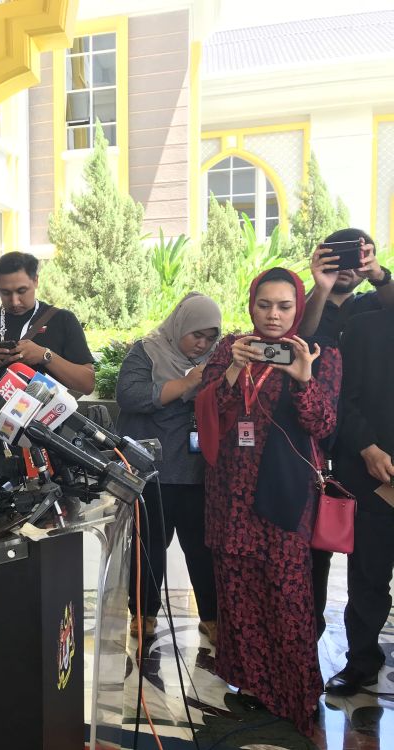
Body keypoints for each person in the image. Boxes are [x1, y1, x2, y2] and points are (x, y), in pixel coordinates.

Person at [195, 267, 341, 736]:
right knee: (237, 594)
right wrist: (235, 369)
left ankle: (295, 694)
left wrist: (303, 379)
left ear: (299, 307)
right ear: (251, 304)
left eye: (284, 306)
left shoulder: (319, 354)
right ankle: (253, 685)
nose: (273, 316)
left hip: (284, 496)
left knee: (287, 595)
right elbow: (207, 409)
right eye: (264, 305)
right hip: (229, 495)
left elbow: (323, 426)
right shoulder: (229, 348)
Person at [297, 228, 393, 638]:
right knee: (311, 556)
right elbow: (296, 337)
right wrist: (320, 287)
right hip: (308, 455)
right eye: (339, 256)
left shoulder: (374, 308)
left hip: (363, 454)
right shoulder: (302, 306)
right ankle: (307, 640)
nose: (348, 266)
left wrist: (381, 276)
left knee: (368, 564)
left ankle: (361, 659)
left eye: (357, 257)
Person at [116, 293, 221, 642]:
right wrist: (189, 382)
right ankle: (143, 613)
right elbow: (130, 396)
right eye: (197, 335)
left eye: (210, 337)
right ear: (181, 327)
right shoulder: (147, 351)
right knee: (150, 545)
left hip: (198, 472)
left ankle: (212, 617)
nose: (202, 343)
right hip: (154, 470)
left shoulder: (218, 361)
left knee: (203, 549)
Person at [0, 251, 95, 480]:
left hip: (53, 438)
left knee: (58, 510)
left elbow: (87, 382)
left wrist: (45, 356)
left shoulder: (62, 321)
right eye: (5, 293)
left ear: (36, 281)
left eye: (22, 291)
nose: (14, 301)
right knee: (3, 512)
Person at [324, 306, 394, 696]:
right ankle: (362, 661)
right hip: (377, 476)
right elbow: (341, 399)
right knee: (368, 578)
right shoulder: (367, 327)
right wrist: (367, 447)